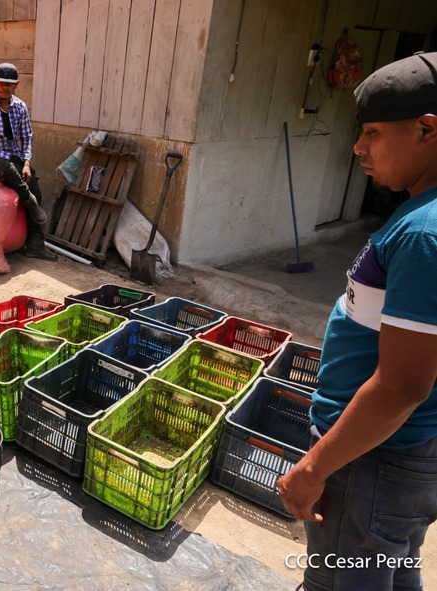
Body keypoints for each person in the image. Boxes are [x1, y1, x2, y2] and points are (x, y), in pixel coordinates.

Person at [277, 51, 437, 591]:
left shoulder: (423, 234)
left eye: (372, 133)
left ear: (426, 129)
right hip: (393, 459)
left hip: (373, 462)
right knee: (389, 571)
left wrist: (315, 467)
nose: (358, 147)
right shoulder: (419, 212)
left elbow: (401, 387)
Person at [0, 62, 58, 260]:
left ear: (16, 84)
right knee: (6, 167)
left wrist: (26, 162)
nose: (4, 87)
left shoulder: (20, 107)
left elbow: (27, 137)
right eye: (1, 83)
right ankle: (29, 201)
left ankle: (35, 245)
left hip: (14, 156)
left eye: (9, 84)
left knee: (34, 185)